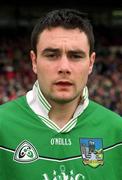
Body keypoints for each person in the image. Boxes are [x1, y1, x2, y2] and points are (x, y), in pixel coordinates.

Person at [0, 8, 122, 180]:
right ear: (34, 61)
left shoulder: (116, 131)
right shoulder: (2, 126)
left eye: (76, 56)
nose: (64, 67)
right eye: (52, 55)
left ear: (91, 63)